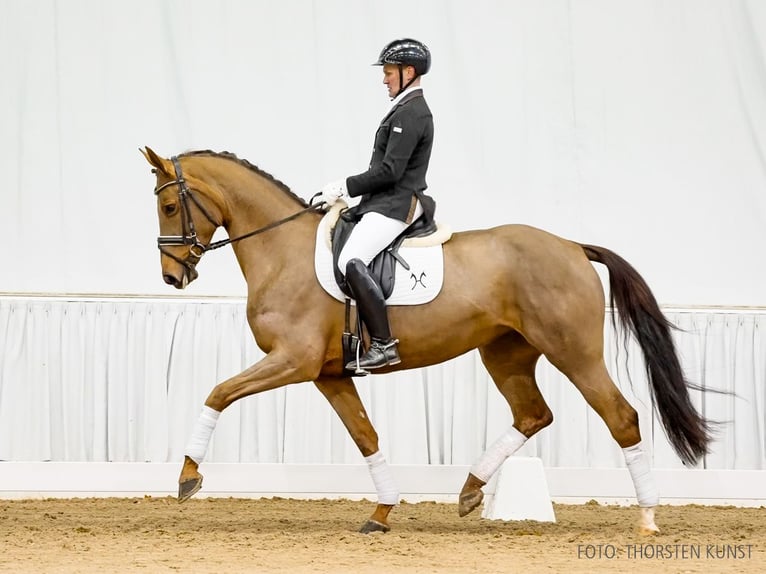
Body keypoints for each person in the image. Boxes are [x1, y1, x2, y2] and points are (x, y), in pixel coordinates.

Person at [320, 38, 437, 371]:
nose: (384, 79)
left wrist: (345, 185)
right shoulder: (402, 108)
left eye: (389, 72)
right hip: (382, 201)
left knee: (351, 260)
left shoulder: (413, 112)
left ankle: (384, 344)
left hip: (396, 204)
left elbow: (389, 171)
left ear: (408, 71)